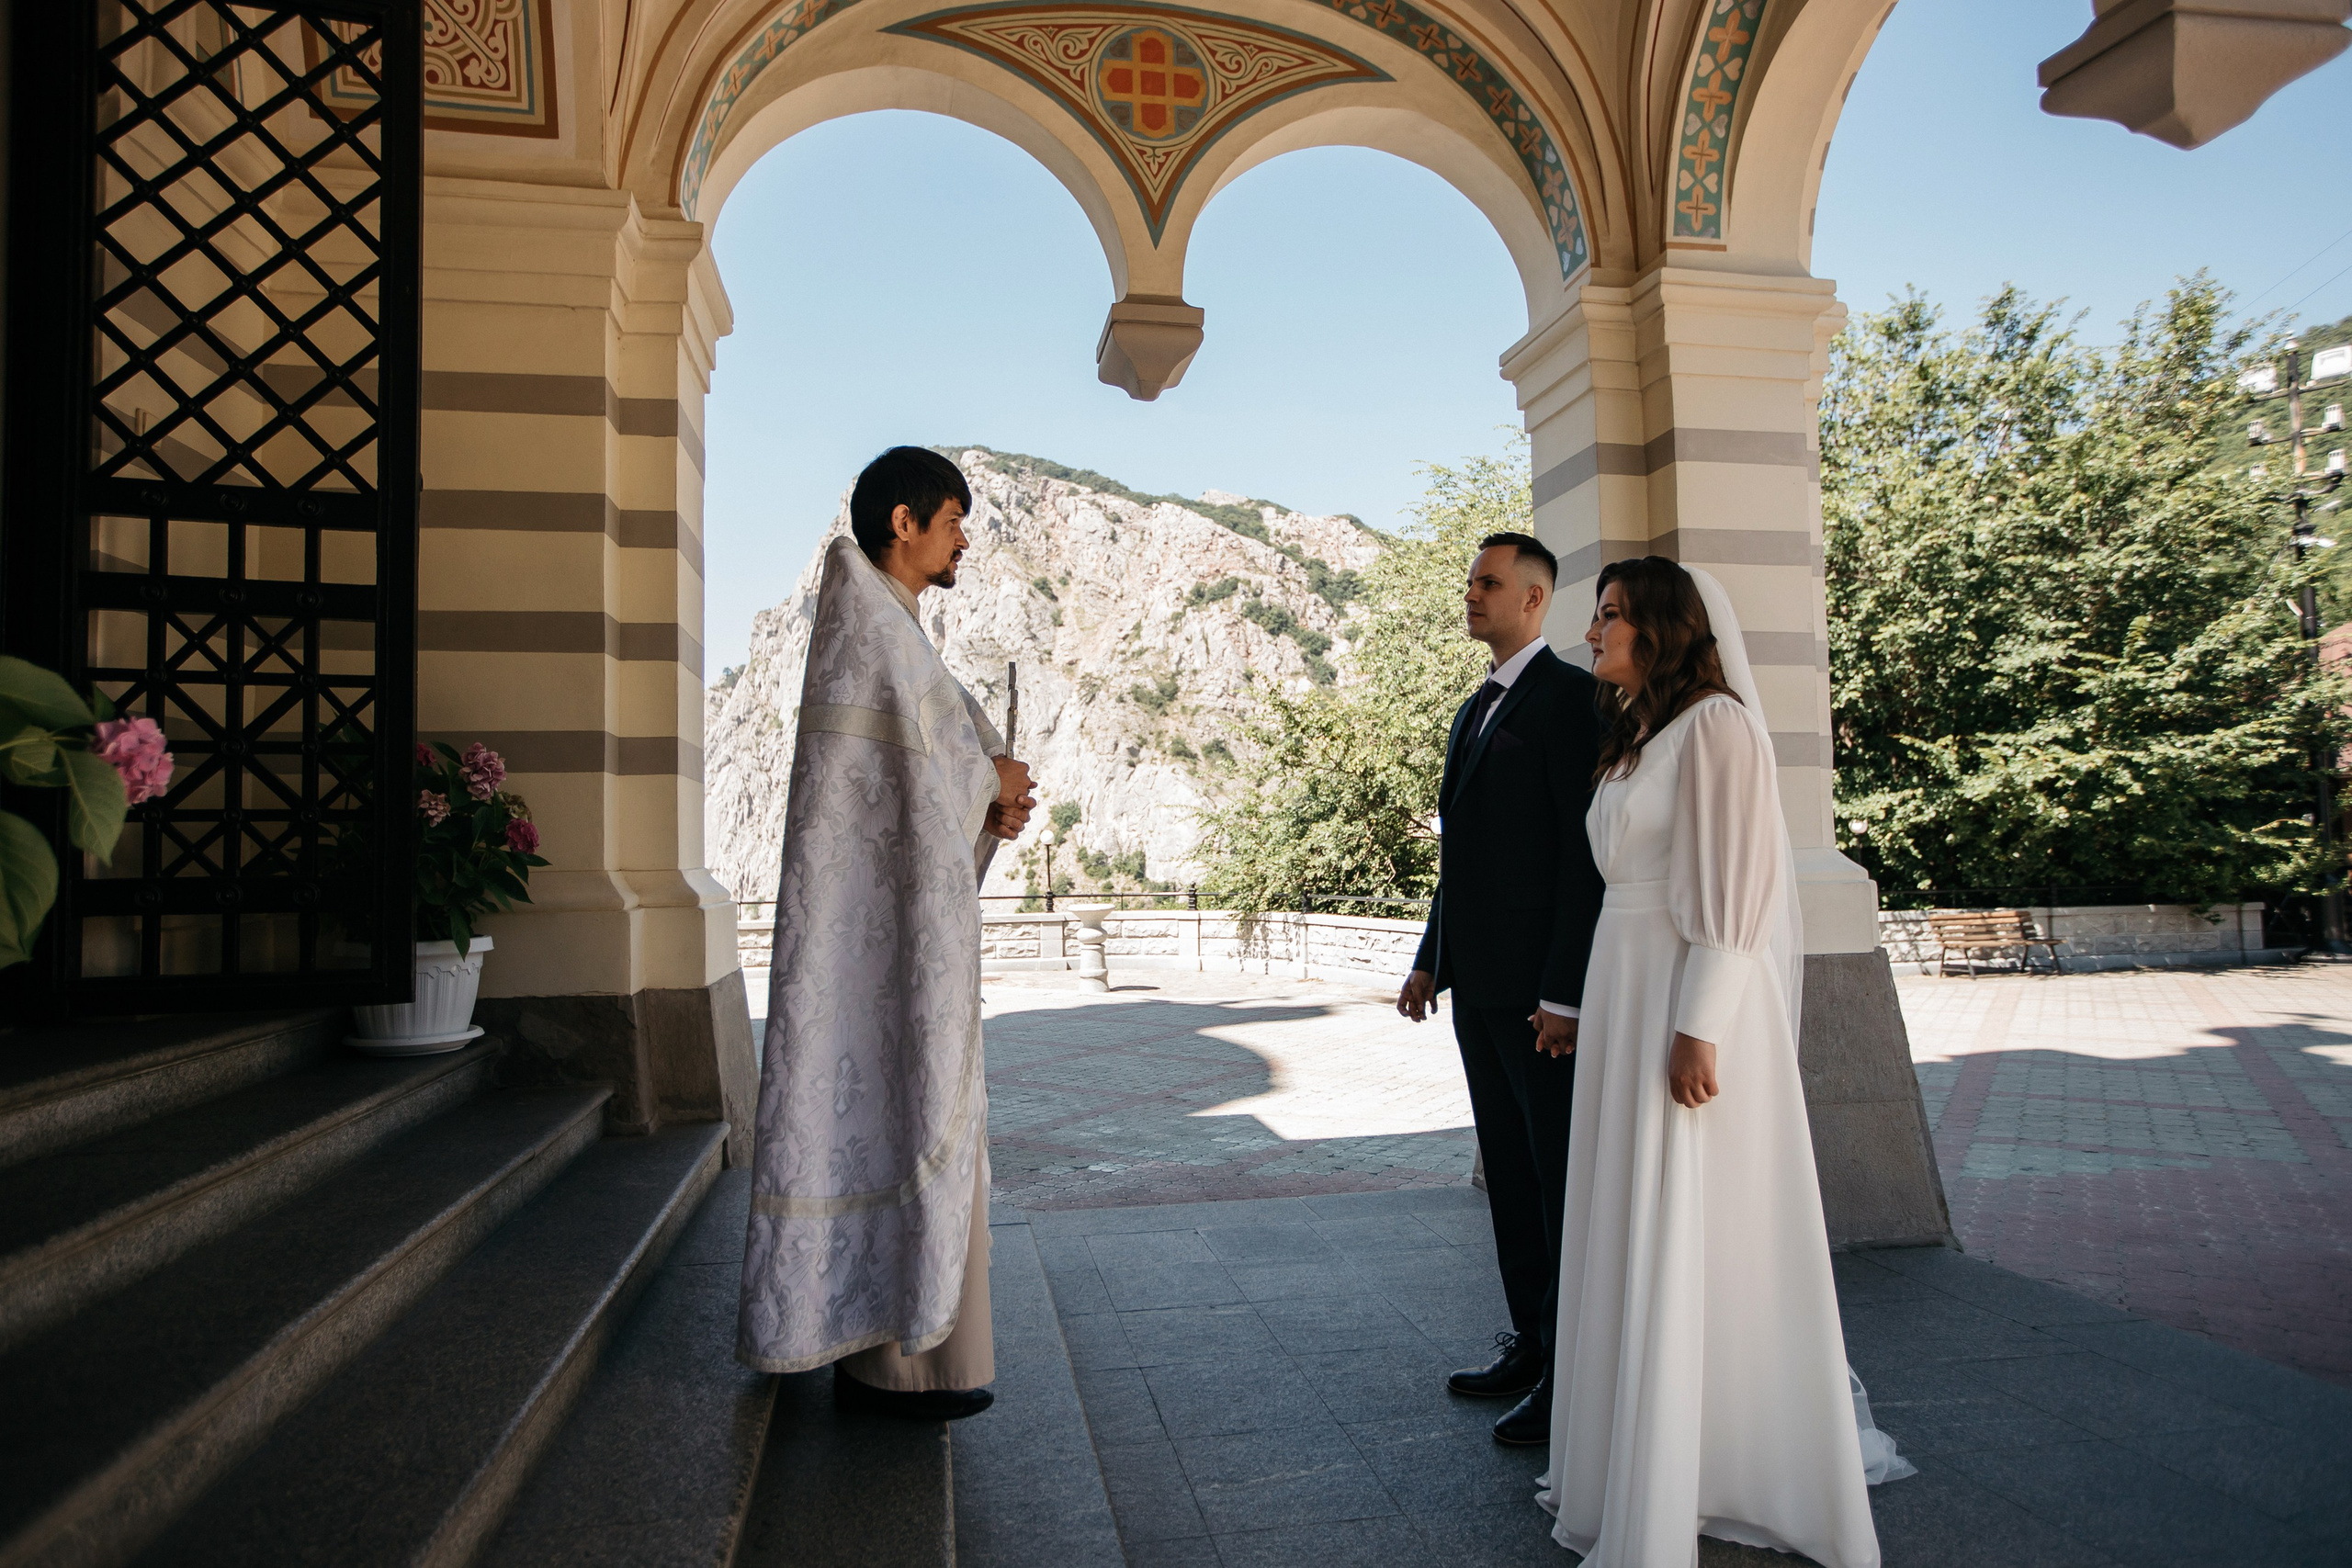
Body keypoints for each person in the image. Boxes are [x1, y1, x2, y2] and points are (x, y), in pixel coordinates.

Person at [1536, 557, 1910, 1566]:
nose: (1593, 633)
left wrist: (1699, 1024)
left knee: (1685, 1213)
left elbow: (1738, 886)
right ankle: (1632, 1461)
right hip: (1625, 983)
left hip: (1683, 990)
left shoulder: (1719, 727)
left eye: (1611, 615)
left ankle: (1707, 1466)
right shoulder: (1639, 735)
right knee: (1628, 1212)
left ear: (1661, 625)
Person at [736, 446, 1036, 1421]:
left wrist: (988, 795)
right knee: (900, 1114)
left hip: (887, 942)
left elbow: (921, 779)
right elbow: (926, 778)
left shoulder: (885, 623)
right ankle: (895, 1368)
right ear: (901, 523)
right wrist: (991, 782)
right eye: (951, 521)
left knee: (894, 1120)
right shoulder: (872, 625)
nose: (963, 541)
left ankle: (897, 1355)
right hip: (882, 952)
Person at [1396, 531, 1606, 1447]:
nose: (1471, 594)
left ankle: (1572, 1374)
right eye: (1470, 581)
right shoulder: (1471, 709)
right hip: (1476, 988)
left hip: (1539, 1002)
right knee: (1511, 1180)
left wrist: (1563, 992)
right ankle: (1529, 1344)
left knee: (1557, 1181)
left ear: (1533, 598)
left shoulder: (1571, 701)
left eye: (1488, 582)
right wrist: (1429, 957)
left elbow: (1581, 860)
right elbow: (1465, 856)